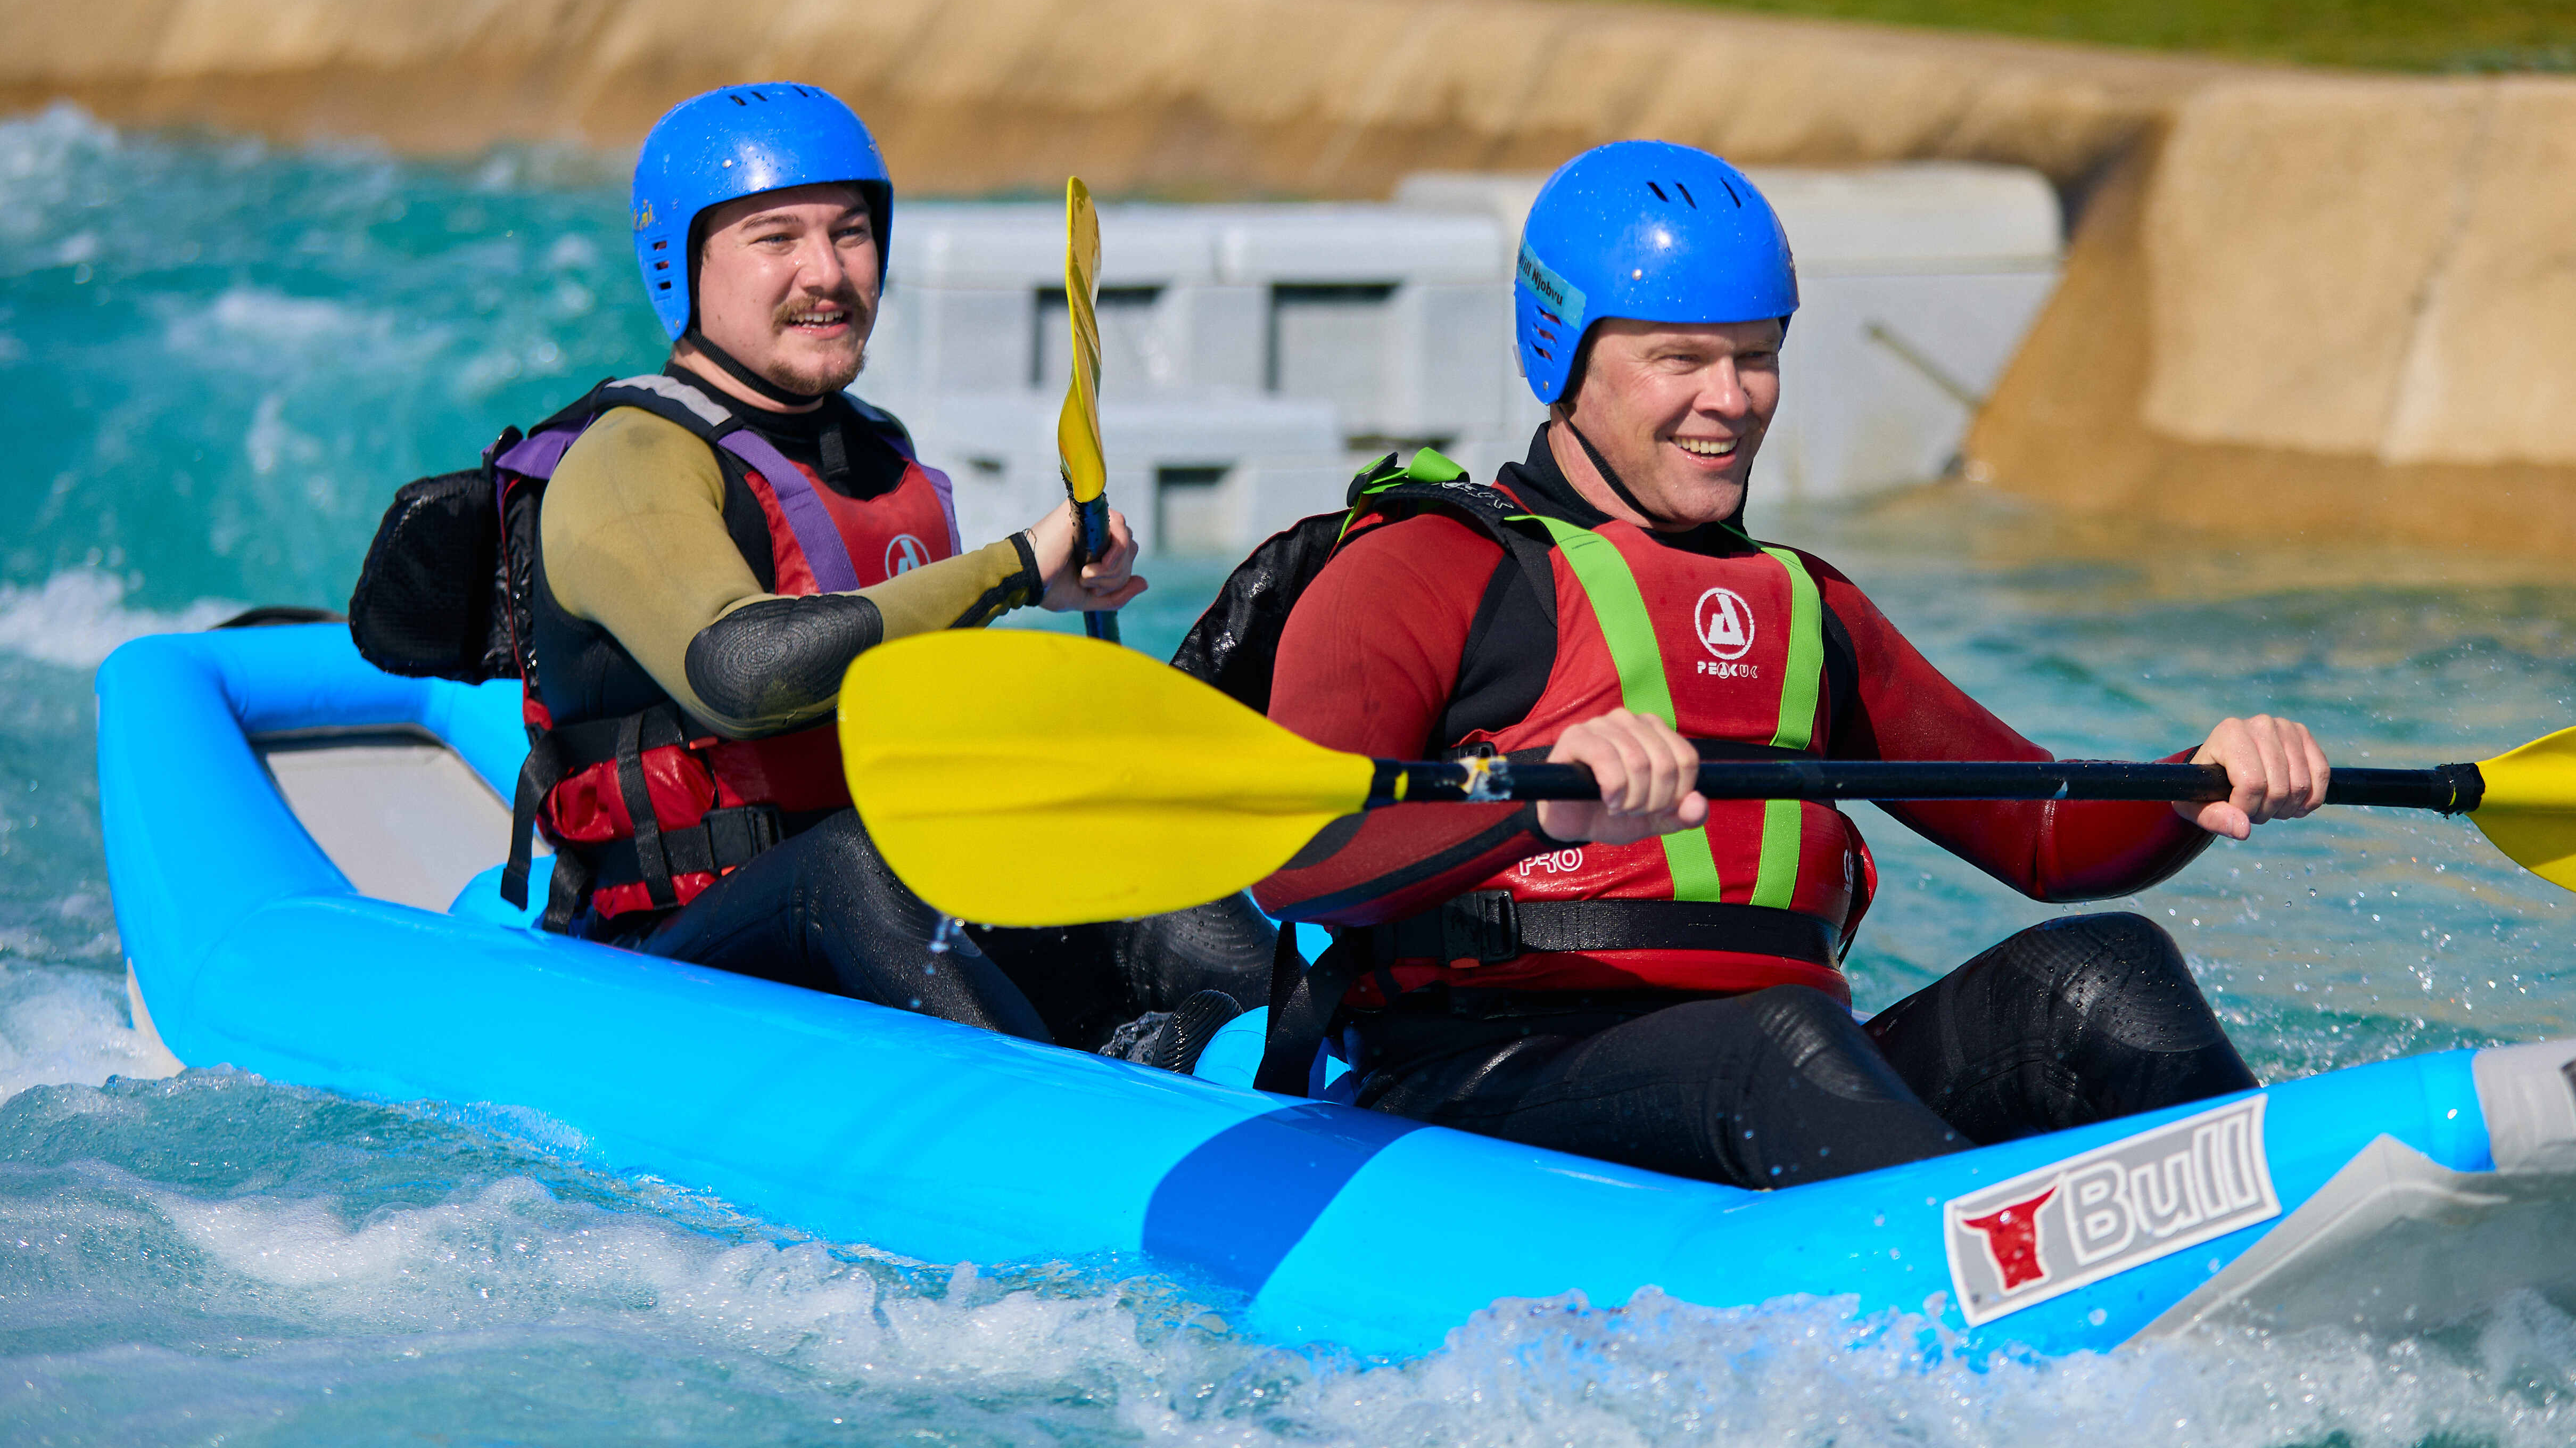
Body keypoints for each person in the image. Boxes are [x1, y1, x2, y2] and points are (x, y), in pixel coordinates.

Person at [1241, 140, 2327, 1189]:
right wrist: (1537, 809)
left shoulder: (1807, 607)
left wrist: (2192, 782)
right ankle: (1974, 1276)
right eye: (1679, 359)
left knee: (2100, 976)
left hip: (1780, 1083)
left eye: (1755, 356)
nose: (1731, 398)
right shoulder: (1425, 566)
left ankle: (2285, 1236)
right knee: (1779, 1042)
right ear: (1560, 354)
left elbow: (2040, 831)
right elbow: (1292, 851)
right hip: (1478, 1086)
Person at [515, 83, 1270, 1056]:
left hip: (894, 927)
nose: (828, 273)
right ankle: (1048, 1104)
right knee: (853, 865)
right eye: (777, 239)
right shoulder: (628, 460)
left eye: (852, 234)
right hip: (671, 962)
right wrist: (1011, 570)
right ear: (681, 266)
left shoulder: (874, 453)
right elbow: (737, 673)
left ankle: (1310, 1070)